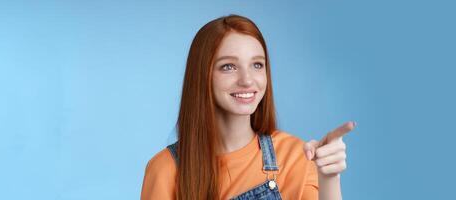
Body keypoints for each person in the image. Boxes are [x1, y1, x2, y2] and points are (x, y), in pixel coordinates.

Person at [140, 14, 356, 200]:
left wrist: (330, 178)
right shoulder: (165, 170)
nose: (247, 80)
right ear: (202, 76)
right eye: (229, 66)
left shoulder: (295, 157)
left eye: (257, 65)